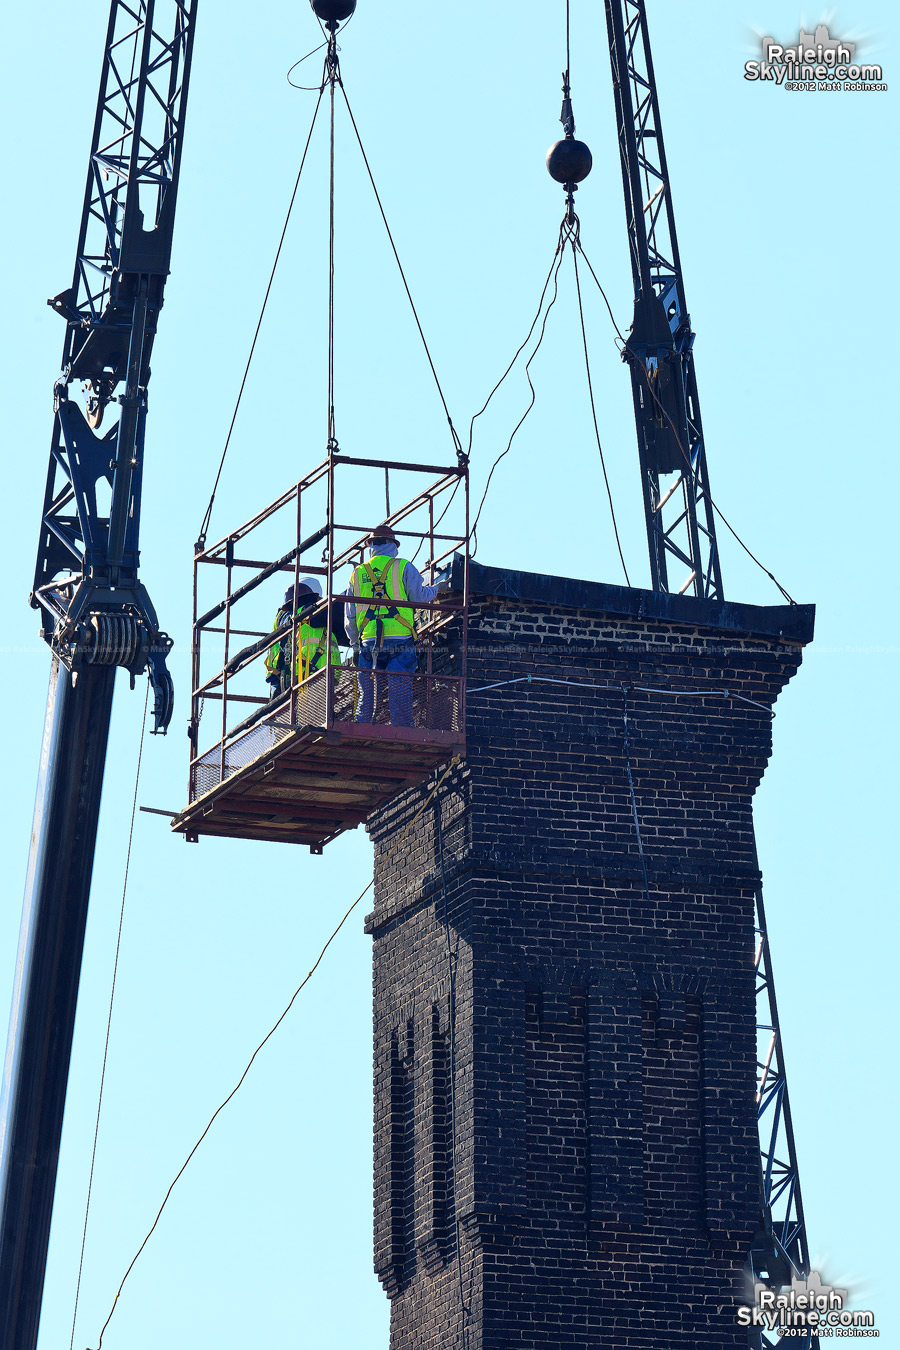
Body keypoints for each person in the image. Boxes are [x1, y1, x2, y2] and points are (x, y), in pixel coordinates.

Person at [345, 525, 446, 727]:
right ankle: (402, 733)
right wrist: (437, 589)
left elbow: (350, 616)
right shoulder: (403, 567)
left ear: (370, 545)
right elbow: (419, 597)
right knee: (399, 693)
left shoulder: (357, 574)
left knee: (367, 694)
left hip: (368, 642)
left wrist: (355, 644)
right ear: (393, 545)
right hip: (400, 642)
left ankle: (362, 729)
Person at [265, 577, 341, 697]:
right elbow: (340, 609)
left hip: (288, 678)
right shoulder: (307, 614)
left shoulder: (284, 620)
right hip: (312, 675)